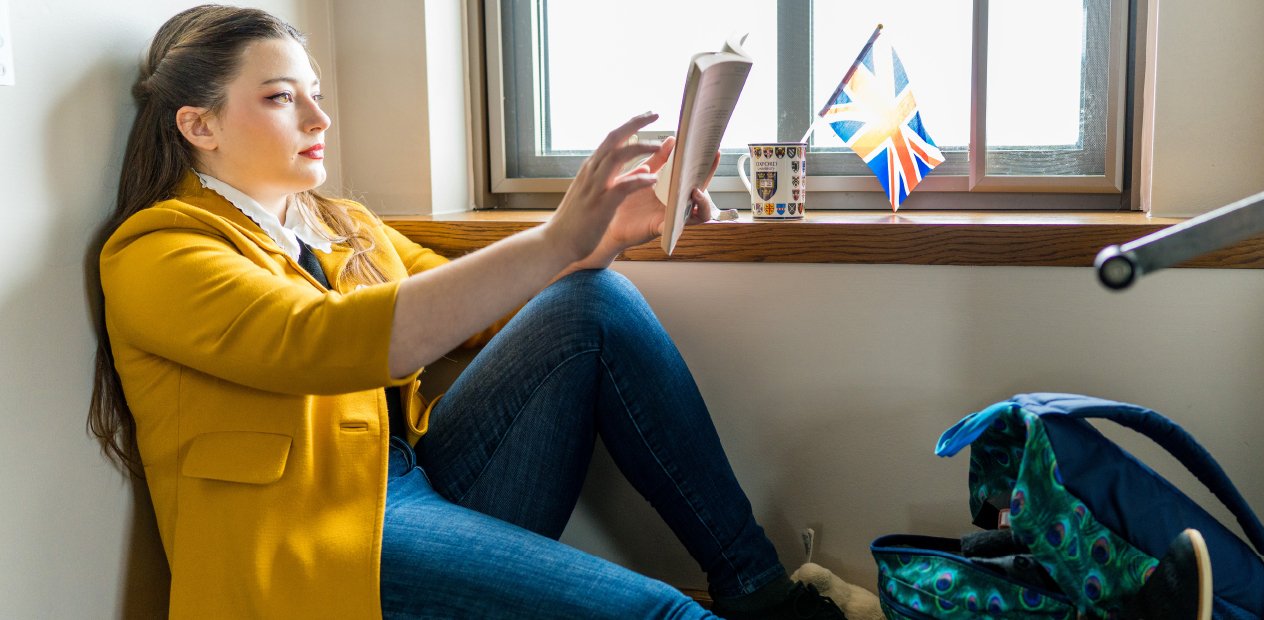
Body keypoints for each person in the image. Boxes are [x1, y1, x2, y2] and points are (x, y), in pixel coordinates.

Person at [87, 5, 846, 619]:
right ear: (199, 125)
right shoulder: (157, 253)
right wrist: (553, 236)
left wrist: (610, 231)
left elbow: (481, 306)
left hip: (412, 484)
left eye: (315, 91)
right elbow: (319, 342)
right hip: (318, 539)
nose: (319, 118)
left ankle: (761, 592)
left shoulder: (336, 221)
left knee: (592, 301)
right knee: (661, 613)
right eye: (283, 97)